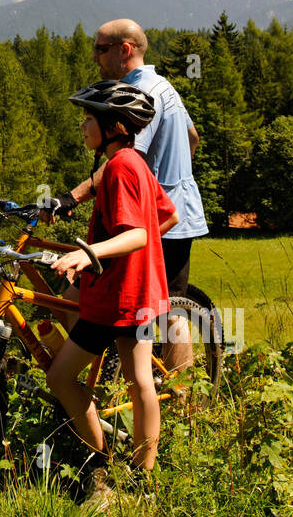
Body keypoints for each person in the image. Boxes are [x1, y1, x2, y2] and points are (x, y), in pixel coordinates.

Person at [46, 19, 207, 377]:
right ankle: (114, 378)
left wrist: (70, 198)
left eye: (101, 49)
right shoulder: (164, 86)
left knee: (167, 312)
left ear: (125, 50)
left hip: (158, 221)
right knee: (165, 309)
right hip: (175, 211)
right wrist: (168, 179)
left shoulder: (138, 95)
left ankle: (183, 400)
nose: (94, 57)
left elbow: (124, 155)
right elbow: (193, 137)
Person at [46, 80, 178, 509]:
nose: (83, 126)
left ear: (114, 125)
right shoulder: (134, 162)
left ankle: (100, 463)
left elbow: (138, 232)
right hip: (137, 292)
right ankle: (144, 479)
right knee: (141, 381)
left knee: (60, 377)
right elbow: (166, 217)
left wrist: (92, 254)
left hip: (115, 300)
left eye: (89, 119)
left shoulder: (120, 168)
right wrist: (131, 255)